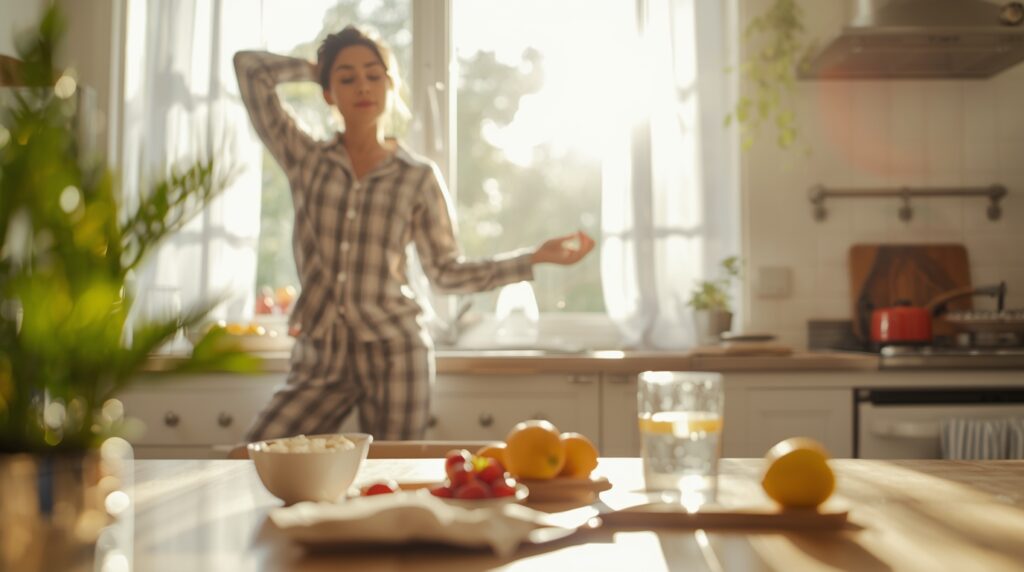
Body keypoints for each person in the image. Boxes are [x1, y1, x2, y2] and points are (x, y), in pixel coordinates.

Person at [233, 25, 595, 442]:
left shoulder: (418, 177)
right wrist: (315, 69)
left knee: (394, 473)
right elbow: (248, 68)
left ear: (390, 85)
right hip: (321, 353)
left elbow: (445, 273)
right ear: (328, 94)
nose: (363, 86)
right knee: (257, 453)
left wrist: (533, 258)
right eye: (347, 78)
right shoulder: (306, 159)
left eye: (374, 75)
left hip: (396, 353)